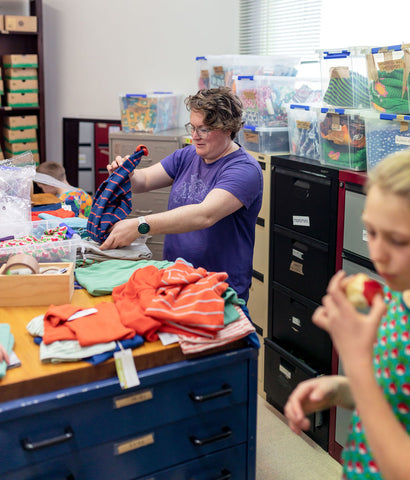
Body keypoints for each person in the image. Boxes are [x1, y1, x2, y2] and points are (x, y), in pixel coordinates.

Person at [284, 149, 410, 480]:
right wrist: (340, 390)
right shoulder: (398, 299)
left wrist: (355, 362)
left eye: (397, 240)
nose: (378, 255)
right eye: (372, 232)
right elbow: (392, 398)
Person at [100, 87, 263, 303]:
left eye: (203, 129)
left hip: (218, 290)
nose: (194, 137)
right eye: (192, 128)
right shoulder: (188, 155)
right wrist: (125, 175)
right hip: (177, 281)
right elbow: (144, 180)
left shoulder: (244, 170)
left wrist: (140, 224)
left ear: (228, 129)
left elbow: (204, 215)